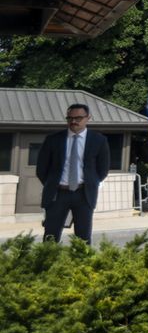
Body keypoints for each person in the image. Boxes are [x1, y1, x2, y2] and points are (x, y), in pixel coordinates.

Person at [37, 102, 109, 243]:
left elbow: (103, 170)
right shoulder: (53, 139)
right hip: (58, 194)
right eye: (70, 118)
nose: (73, 121)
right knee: (50, 236)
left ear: (88, 118)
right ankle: (47, 263)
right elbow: (41, 169)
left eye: (78, 118)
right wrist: (52, 184)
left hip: (84, 194)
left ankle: (81, 263)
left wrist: (90, 183)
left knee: (83, 238)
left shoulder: (99, 140)